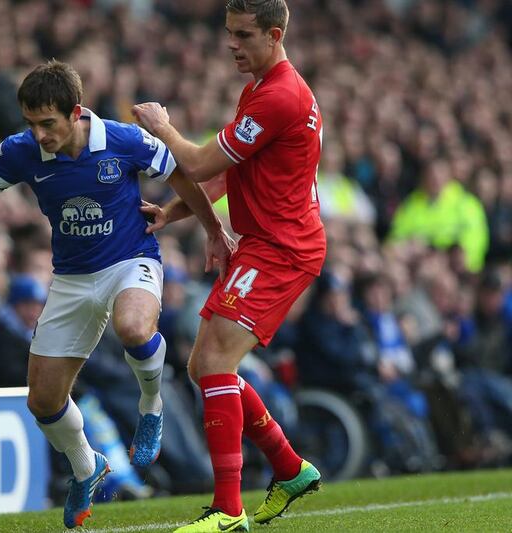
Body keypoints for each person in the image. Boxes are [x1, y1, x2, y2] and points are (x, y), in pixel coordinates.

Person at [0, 60, 232, 529]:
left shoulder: (124, 139)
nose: (39, 135)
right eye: (31, 124)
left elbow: (182, 176)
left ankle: (151, 406)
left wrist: (213, 229)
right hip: (72, 279)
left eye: (48, 124)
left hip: (129, 260)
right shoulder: (22, 151)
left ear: (76, 112)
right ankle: (86, 467)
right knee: (43, 402)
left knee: (134, 327)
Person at [133, 1, 325, 530]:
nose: (232, 45)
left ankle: (227, 510)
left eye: (243, 34)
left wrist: (161, 128)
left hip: (281, 249)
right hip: (267, 243)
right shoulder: (263, 90)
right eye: (228, 33)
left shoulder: (280, 96)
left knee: (215, 361)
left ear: (275, 33)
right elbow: (227, 172)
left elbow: (195, 161)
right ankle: (288, 469)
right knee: (203, 367)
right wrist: (175, 212)